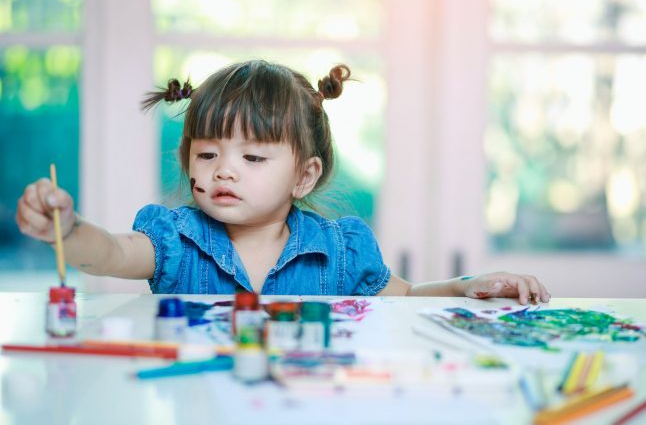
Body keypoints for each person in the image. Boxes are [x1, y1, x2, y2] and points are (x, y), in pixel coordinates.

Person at [15, 60, 549, 304]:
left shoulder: (339, 251)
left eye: (252, 156)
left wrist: (465, 286)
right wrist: (69, 226)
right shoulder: (175, 240)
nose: (223, 169)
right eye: (206, 153)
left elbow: (406, 299)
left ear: (304, 175)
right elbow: (106, 254)